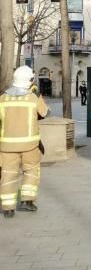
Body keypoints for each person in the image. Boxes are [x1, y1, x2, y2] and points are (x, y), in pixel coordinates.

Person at [0, 66, 49, 218]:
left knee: (7, 174)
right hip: (30, 145)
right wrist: (38, 95)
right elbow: (45, 112)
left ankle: (8, 208)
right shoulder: (32, 98)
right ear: (29, 81)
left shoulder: (2, 99)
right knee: (31, 171)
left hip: (6, 146)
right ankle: (27, 201)